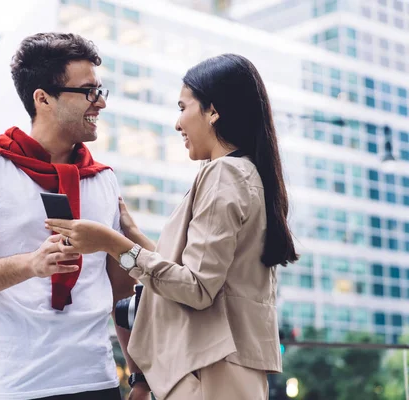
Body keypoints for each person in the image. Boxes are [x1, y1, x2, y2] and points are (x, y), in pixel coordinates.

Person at [46, 53, 299, 400]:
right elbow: (200, 273)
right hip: (230, 369)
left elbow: (196, 288)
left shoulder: (223, 173)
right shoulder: (250, 173)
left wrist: (111, 243)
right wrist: (132, 235)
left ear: (213, 111)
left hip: (211, 369)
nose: (178, 124)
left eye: (183, 107)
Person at [0, 32, 138, 400]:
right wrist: (31, 264)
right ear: (43, 98)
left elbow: (120, 290)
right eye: (89, 92)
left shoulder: (104, 179)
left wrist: (139, 377)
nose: (100, 104)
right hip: (8, 387)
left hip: (95, 382)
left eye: (100, 90)